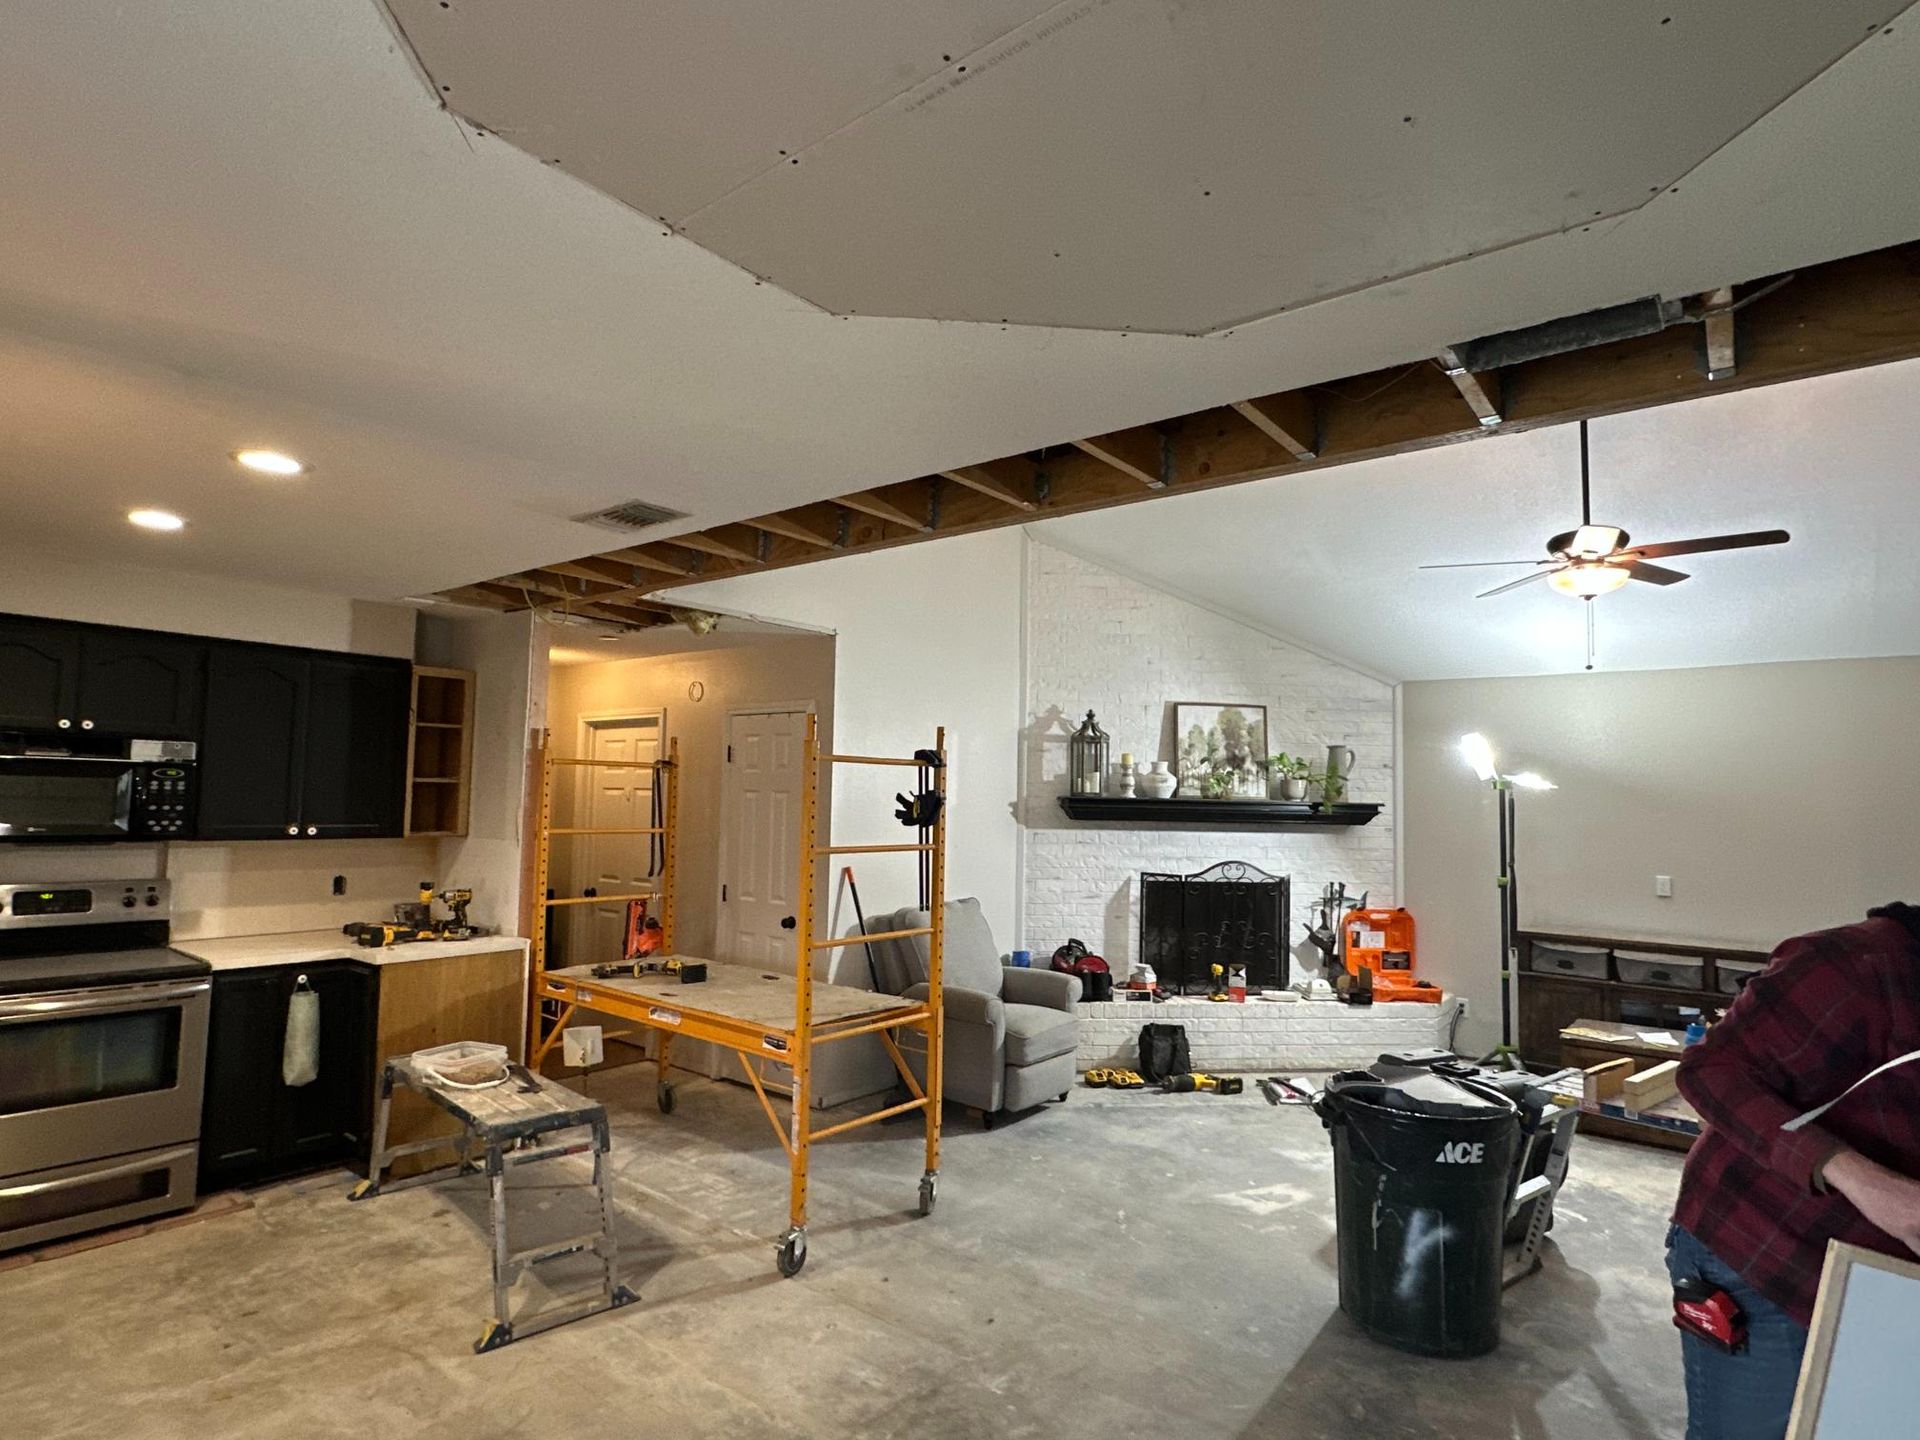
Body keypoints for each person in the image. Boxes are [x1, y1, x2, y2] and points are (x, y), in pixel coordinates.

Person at [1667, 902, 1920, 1440]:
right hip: (1765, 1255)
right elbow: (1709, 1069)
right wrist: (1860, 1178)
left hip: (1882, 1279)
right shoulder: (1857, 964)